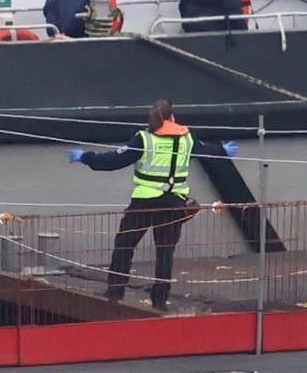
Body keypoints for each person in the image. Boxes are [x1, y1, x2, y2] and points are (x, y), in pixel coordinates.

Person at [68, 100, 233, 311]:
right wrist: (223, 150)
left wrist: (86, 157)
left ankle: (115, 291)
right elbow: (206, 150)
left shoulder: (144, 139)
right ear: (172, 118)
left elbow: (113, 160)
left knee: (124, 245)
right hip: (174, 204)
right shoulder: (187, 138)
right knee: (165, 252)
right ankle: (160, 301)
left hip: (144, 203)